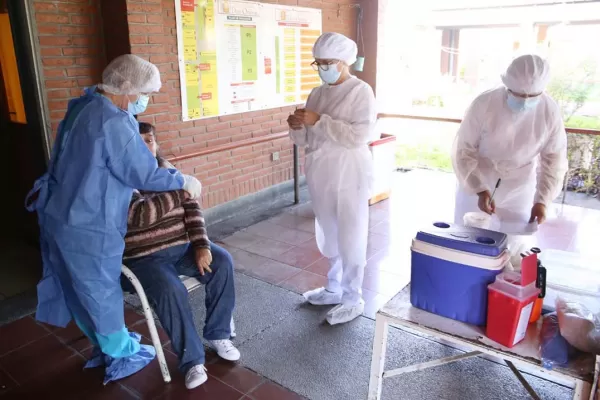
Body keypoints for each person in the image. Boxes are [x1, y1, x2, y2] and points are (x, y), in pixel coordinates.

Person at [25, 54, 203, 383]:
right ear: (125, 87)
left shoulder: (83, 105)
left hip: (59, 215)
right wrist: (182, 180)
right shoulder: (115, 122)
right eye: (143, 93)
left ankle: (102, 343)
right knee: (99, 291)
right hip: (90, 224)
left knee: (78, 290)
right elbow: (143, 172)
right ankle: (119, 354)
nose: (144, 100)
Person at [121, 122, 239, 390]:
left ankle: (219, 333)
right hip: (144, 257)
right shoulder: (122, 177)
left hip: (181, 248)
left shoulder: (169, 171)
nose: (145, 146)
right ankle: (192, 360)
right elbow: (138, 216)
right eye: (138, 141)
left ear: (156, 144)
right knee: (170, 289)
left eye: (149, 140)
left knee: (222, 262)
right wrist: (180, 190)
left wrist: (201, 245)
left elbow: (193, 210)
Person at [287, 32, 377, 325]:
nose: (323, 67)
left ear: (344, 61)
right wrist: (298, 126)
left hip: (349, 172)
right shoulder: (317, 93)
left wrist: (319, 121)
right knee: (329, 230)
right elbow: (306, 138)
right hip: (322, 172)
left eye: (328, 62)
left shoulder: (360, 91)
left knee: (351, 233)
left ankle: (353, 298)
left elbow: (359, 136)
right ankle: (334, 287)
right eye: (318, 63)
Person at [452, 55, 568, 246]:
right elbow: (464, 150)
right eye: (518, 95)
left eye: (532, 96)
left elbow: (554, 160)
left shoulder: (549, 111)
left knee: (512, 245)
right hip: (479, 179)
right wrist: (480, 189)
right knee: (471, 241)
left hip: (520, 187)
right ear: (507, 85)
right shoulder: (484, 103)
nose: (524, 101)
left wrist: (542, 201)